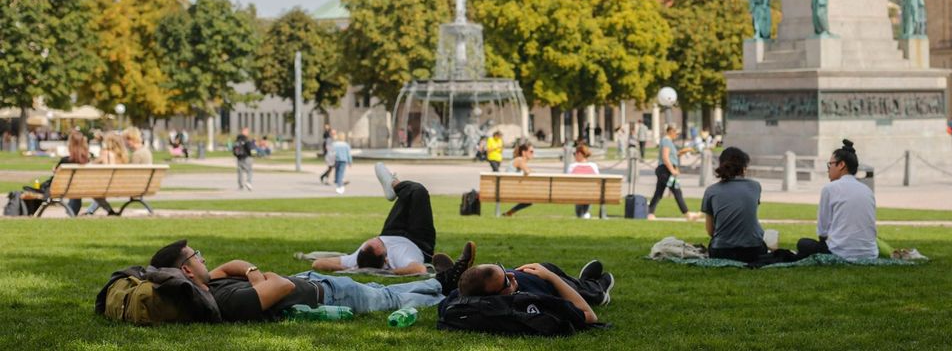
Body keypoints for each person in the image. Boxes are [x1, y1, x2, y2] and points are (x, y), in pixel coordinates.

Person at [149, 239, 472, 322]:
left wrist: (252, 273)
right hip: (326, 296)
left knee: (381, 289)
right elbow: (283, 286)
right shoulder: (224, 300)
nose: (204, 259)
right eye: (197, 256)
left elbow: (236, 265)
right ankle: (451, 290)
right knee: (389, 299)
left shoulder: (208, 285)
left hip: (318, 283)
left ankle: (444, 282)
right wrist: (262, 277)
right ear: (187, 271)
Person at [312, 164, 463, 275]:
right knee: (418, 192)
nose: (376, 239)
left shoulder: (356, 259)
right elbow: (420, 269)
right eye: (379, 244)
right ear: (385, 260)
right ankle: (394, 184)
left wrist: (352, 269)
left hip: (392, 231)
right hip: (418, 241)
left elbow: (318, 263)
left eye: (372, 240)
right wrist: (388, 272)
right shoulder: (399, 257)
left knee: (408, 196)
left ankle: (394, 187)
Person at [456, 260, 613, 323]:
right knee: (582, 291)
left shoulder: (463, 293)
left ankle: (584, 282)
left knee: (576, 284)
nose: (511, 275)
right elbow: (590, 316)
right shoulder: (533, 301)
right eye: (506, 281)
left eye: (503, 269)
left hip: (539, 270)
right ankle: (597, 291)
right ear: (495, 298)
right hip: (550, 283)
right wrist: (551, 277)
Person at [795, 139, 877, 260]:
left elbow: (822, 232)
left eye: (830, 164)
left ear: (841, 165)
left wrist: (825, 241)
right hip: (870, 253)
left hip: (840, 253)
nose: (828, 169)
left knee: (803, 243)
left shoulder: (830, 189)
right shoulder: (867, 190)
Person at [701, 147, 766, 264]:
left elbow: (710, 231)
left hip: (721, 251)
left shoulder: (711, 191)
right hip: (753, 250)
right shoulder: (755, 186)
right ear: (744, 168)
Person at [647, 125, 700, 221]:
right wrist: (672, 170)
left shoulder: (668, 142)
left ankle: (650, 213)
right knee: (677, 191)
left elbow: (674, 155)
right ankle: (687, 214)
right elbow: (665, 157)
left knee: (659, 192)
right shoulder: (666, 141)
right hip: (666, 170)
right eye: (676, 133)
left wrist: (684, 151)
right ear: (671, 131)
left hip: (665, 170)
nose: (677, 135)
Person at [84, 131, 130, 216]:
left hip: (108, 185)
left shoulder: (106, 153)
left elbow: (91, 165)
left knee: (95, 191)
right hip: (121, 186)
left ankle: (106, 210)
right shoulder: (123, 155)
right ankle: (91, 211)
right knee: (99, 192)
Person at [54, 129, 90, 215]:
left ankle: (71, 210)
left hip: (65, 187)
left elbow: (56, 173)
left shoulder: (65, 161)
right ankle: (72, 210)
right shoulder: (86, 161)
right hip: (83, 186)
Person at [567, 144, 600, 219]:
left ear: (579, 154)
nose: (574, 156)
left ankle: (582, 214)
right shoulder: (593, 166)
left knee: (579, 192)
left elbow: (568, 181)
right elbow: (598, 180)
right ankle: (586, 213)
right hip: (590, 193)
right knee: (588, 192)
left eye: (575, 154)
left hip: (576, 193)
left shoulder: (572, 166)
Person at [503, 142, 535, 217]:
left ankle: (509, 213)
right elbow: (527, 171)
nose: (533, 153)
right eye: (531, 151)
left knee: (529, 200)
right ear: (524, 152)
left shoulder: (519, 161)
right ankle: (509, 213)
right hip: (508, 189)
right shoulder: (519, 160)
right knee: (529, 199)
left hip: (508, 188)